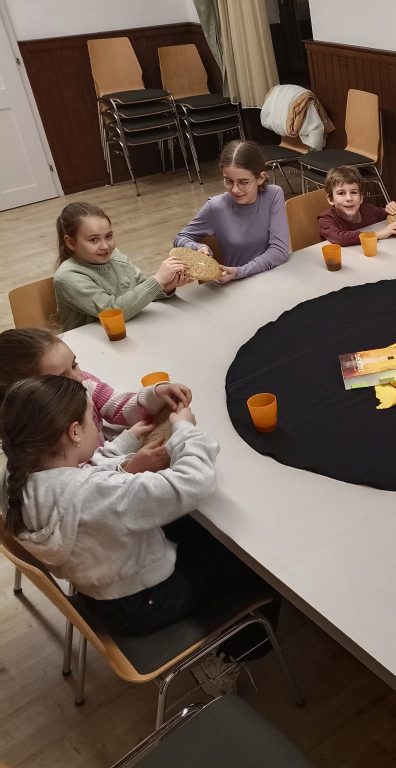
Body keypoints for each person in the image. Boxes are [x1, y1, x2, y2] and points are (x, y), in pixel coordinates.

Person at [0, 375, 272, 692]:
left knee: (201, 533)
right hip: (146, 604)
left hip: (107, 595)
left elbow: (80, 479)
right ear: (74, 432)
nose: (95, 427)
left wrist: (127, 445)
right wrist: (185, 431)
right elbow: (193, 483)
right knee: (252, 561)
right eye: (90, 419)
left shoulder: (19, 478)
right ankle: (232, 656)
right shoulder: (94, 494)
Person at [0, 328, 188, 473]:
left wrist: (154, 395)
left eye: (74, 364)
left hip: (112, 460)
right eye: (62, 378)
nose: (78, 378)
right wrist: (128, 464)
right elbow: (85, 482)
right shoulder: (43, 439)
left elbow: (119, 406)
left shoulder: (84, 383)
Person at [53, 201, 190, 331]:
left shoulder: (116, 256)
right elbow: (114, 312)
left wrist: (166, 285)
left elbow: (141, 293)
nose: (105, 246)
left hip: (132, 330)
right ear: (71, 243)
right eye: (94, 239)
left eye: (108, 236)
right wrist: (157, 280)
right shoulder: (67, 277)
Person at [174, 140, 290, 283]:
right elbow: (180, 238)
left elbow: (279, 250)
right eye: (228, 181)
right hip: (237, 285)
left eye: (243, 182)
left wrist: (241, 271)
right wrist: (198, 246)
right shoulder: (216, 206)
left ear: (261, 178)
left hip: (274, 278)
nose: (235, 189)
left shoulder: (274, 195)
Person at [317, 165, 396, 246]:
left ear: (361, 197)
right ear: (330, 199)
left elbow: (389, 214)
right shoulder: (325, 219)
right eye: (341, 193)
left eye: (354, 192)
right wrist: (377, 234)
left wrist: (393, 208)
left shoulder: (369, 210)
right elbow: (339, 238)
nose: (349, 198)